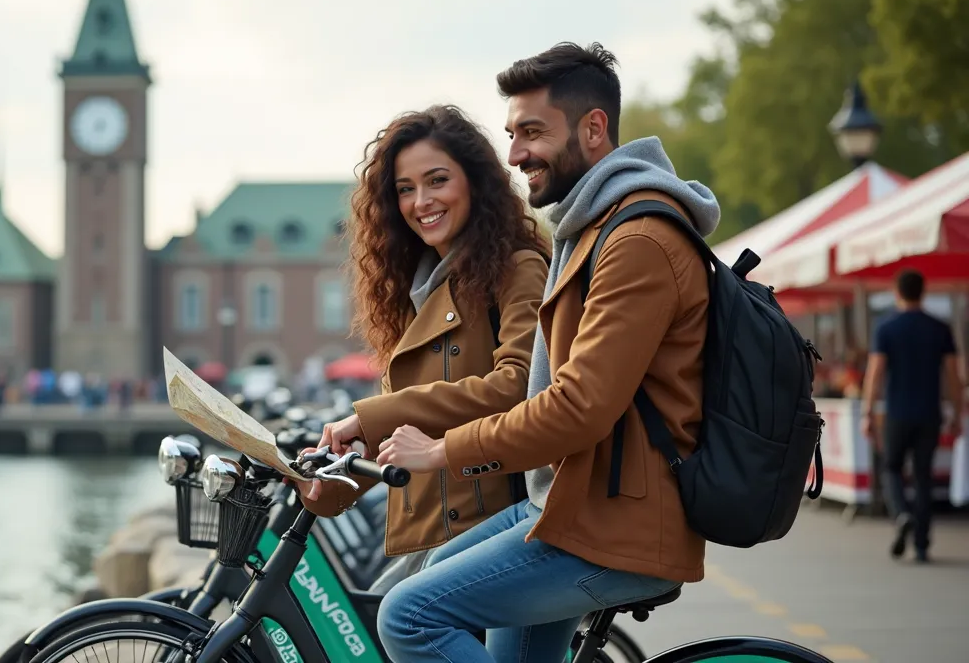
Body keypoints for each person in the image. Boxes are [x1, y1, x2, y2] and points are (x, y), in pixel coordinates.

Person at [372, 42, 721, 662]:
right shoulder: (592, 229)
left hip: (615, 526)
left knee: (409, 616)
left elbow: (578, 407)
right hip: (568, 504)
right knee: (411, 590)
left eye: (533, 132)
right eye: (511, 133)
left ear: (594, 128)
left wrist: (442, 450)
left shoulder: (637, 239)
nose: (515, 154)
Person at [295, 104, 551, 591]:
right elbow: (410, 432)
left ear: (474, 182)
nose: (421, 201)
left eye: (437, 181)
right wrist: (329, 480)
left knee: (403, 623)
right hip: (431, 530)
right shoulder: (413, 295)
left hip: (492, 524)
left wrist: (373, 414)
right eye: (405, 189)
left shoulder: (517, 269)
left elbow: (520, 384)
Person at [860, 269, 963, 563]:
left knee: (891, 468)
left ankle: (902, 513)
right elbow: (953, 375)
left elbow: (876, 373)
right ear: (923, 291)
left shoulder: (886, 327)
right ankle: (921, 543)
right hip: (929, 413)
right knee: (923, 476)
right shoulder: (939, 328)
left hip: (897, 412)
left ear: (897, 292)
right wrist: (956, 411)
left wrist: (868, 412)